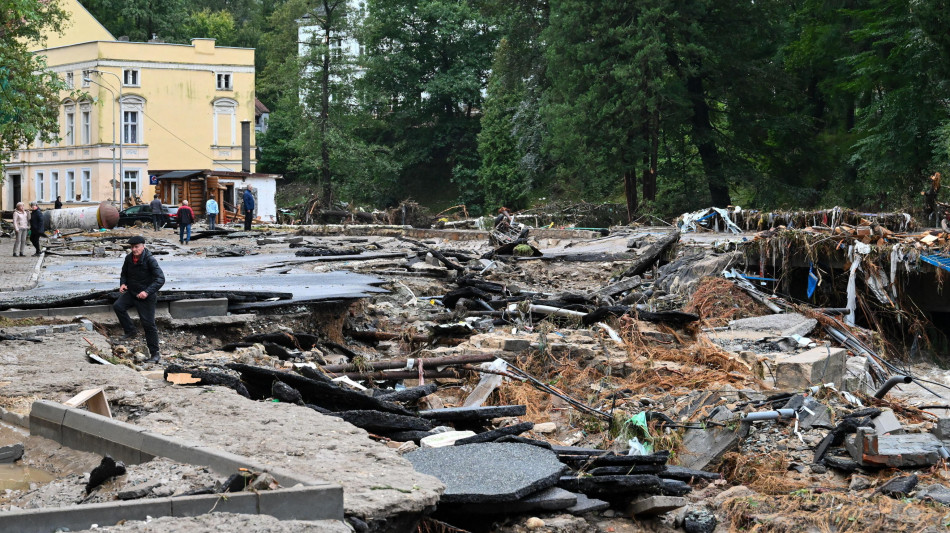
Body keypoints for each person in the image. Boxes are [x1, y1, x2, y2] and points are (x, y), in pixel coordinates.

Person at [113, 235, 165, 363]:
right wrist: (123, 284)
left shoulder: (150, 260)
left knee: (148, 324)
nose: (134, 250)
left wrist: (147, 292)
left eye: (136, 247)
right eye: (132, 247)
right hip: (132, 292)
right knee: (118, 306)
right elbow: (124, 273)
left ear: (143, 246)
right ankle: (130, 330)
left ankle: (155, 354)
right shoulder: (129, 258)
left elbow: (160, 279)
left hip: (146, 296)